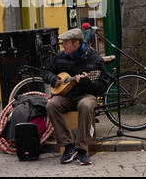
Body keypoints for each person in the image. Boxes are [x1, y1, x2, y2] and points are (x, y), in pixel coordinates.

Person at [43, 28, 110, 165]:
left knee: (86, 105)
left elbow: (102, 86)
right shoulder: (60, 57)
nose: (63, 45)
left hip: (86, 95)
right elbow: (46, 71)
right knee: (51, 105)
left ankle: (81, 150)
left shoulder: (94, 59)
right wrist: (53, 79)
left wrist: (87, 83)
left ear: (76, 43)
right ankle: (68, 145)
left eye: (66, 43)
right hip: (66, 96)